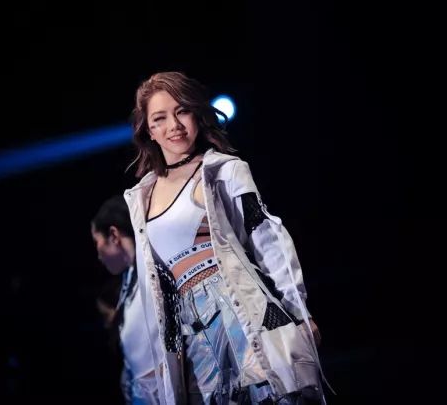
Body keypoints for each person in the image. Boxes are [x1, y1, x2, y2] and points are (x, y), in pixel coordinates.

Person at [123, 72, 331, 404]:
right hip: (189, 332)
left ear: (196, 114)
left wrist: (299, 312)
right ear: (149, 130)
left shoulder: (223, 171)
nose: (174, 125)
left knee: (268, 394)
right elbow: (150, 290)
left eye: (182, 111)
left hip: (238, 309)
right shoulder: (140, 197)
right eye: (160, 118)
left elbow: (267, 240)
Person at [91, 195, 162, 404]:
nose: (98, 255)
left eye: (96, 241)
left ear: (113, 235)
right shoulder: (129, 280)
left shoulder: (155, 271)